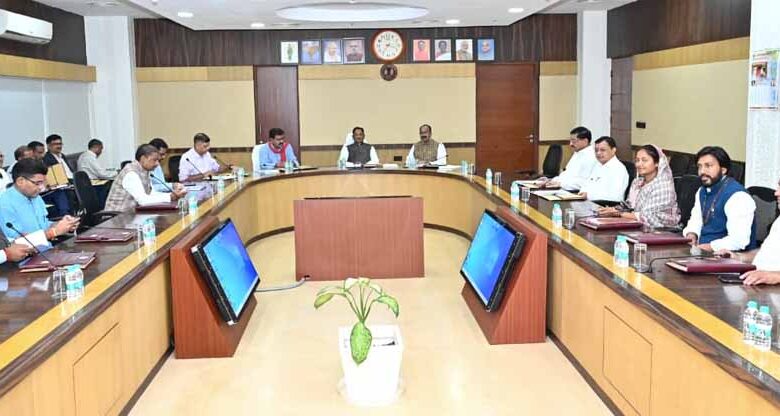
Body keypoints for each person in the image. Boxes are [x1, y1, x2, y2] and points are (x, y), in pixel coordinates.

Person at [683, 146, 757, 252]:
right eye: (699, 166)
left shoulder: (738, 196)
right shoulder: (702, 190)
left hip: (728, 256)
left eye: (708, 166)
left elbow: (738, 241)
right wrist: (692, 234)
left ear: (723, 170)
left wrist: (708, 247)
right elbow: (696, 220)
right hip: (701, 252)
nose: (702, 171)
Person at [597, 145, 680, 228]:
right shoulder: (637, 182)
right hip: (636, 225)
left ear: (657, 163)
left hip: (661, 230)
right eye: (637, 160)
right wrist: (613, 210)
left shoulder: (663, 186)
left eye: (644, 160)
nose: (639, 164)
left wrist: (618, 214)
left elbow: (648, 217)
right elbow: (629, 206)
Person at [716, 178, 780, 285]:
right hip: (755, 282)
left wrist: (776, 276)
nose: (776, 193)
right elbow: (768, 254)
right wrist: (738, 257)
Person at [0, 158, 79, 240]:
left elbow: (44, 225)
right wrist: (53, 232)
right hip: (30, 248)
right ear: (20, 181)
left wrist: (63, 225)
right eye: (37, 183)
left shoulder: (35, 197)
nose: (41, 188)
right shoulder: (4, 204)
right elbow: (16, 241)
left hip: (48, 246)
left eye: (43, 183)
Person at [105, 144, 186, 212]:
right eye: (154, 160)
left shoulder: (145, 171)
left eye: (158, 160)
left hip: (131, 214)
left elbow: (151, 194)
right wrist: (170, 196)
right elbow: (143, 200)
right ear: (143, 158)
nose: (157, 164)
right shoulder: (131, 173)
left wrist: (172, 195)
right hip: (117, 217)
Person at [542, 126, 598, 191]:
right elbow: (567, 174)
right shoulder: (578, 152)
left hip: (576, 192)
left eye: (574, 141)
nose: (570, 144)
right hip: (564, 189)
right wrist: (551, 180)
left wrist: (560, 184)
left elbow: (583, 183)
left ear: (585, 141)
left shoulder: (591, 156)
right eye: (570, 140)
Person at [579, 136, 629, 203]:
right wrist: (582, 192)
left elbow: (615, 197)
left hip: (605, 206)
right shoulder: (597, 165)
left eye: (602, 150)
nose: (598, 153)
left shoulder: (618, 169)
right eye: (596, 150)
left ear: (613, 150)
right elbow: (586, 184)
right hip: (588, 202)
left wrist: (588, 195)